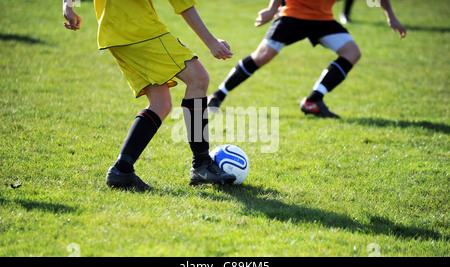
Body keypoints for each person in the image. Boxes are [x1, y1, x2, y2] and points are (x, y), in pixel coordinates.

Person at [62, 0, 236, 190]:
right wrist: (211, 41)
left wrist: (68, 6)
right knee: (198, 79)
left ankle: (122, 171)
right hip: (138, 28)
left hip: (112, 33)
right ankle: (202, 163)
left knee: (161, 103)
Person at [207, 0, 406, 118]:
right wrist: (271, 9)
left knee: (352, 52)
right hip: (293, 14)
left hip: (323, 19)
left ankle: (313, 101)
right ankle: (217, 95)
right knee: (263, 55)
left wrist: (390, 14)